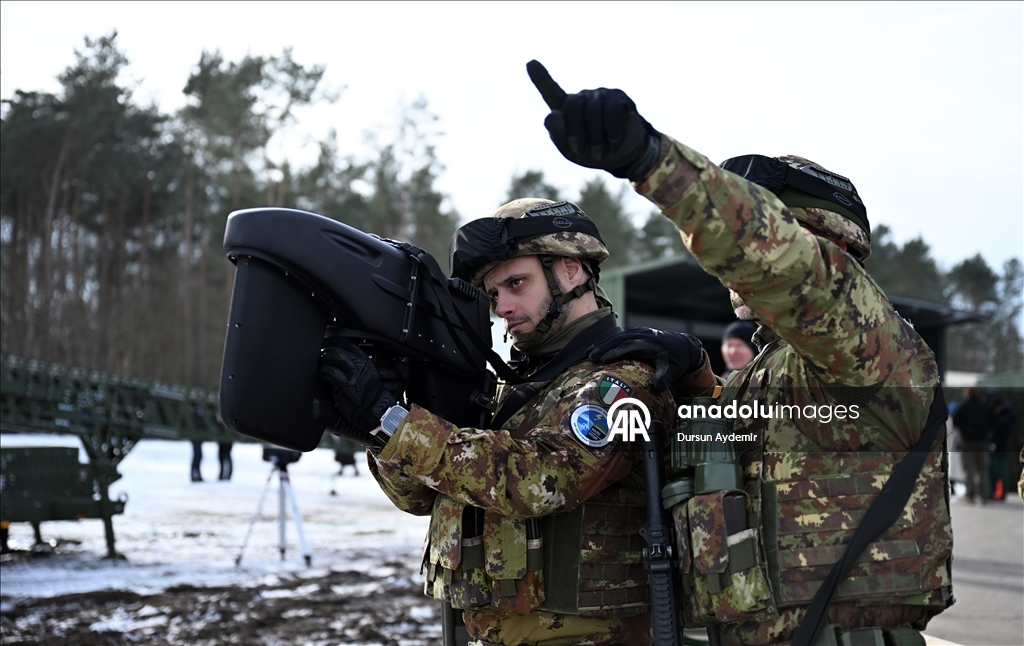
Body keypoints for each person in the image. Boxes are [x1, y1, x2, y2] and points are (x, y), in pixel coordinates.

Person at [527, 60, 953, 645]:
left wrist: (650, 160)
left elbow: (787, 267)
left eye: (754, 238)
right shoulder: (769, 371)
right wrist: (699, 379)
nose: (731, 266)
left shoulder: (871, 348)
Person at [320, 198, 717, 645]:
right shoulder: (511, 389)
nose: (503, 307)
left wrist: (396, 425)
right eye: (494, 295)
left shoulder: (624, 379)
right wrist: (378, 428)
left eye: (516, 283)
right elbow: (419, 497)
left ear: (571, 270)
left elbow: (544, 479)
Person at [953, 387, 992, 505]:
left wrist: (966, 430)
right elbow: (994, 421)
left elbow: (955, 421)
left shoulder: (963, 406)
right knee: (983, 469)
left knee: (968, 469)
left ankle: (970, 495)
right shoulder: (985, 406)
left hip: (967, 442)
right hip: (982, 442)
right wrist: (984, 430)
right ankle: (984, 495)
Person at [989, 398, 1015, 501]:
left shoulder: (1006, 417)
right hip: (997, 448)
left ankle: (1001, 493)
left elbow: (1001, 425)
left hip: (1001, 449)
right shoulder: (1005, 416)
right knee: (994, 472)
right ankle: (994, 492)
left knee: (1001, 472)